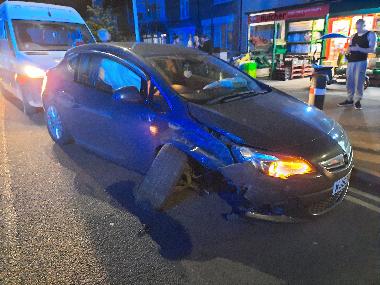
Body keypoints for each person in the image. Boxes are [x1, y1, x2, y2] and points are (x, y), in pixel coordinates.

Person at [338, 19, 377, 110]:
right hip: (351, 61)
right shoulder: (353, 36)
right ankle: (349, 99)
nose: (357, 29)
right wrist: (345, 51)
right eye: (356, 27)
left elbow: (372, 50)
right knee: (349, 81)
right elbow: (350, 48)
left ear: (364, 25)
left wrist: (359, 49)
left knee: (359, 81)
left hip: (361, 60)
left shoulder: (371, 34)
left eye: (359, 27)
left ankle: (358, 100)